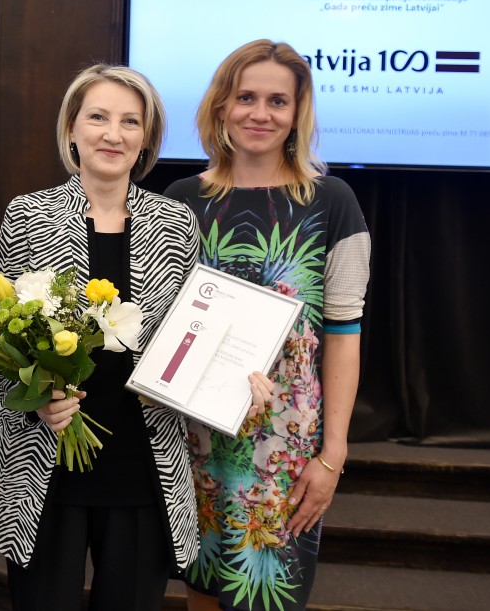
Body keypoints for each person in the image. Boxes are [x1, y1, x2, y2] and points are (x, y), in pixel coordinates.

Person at [164, 39, 370, 611]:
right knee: (202, 594)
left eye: (278, 101)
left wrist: (333, 455)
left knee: (269, 598)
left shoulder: (333, 201)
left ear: (297, 112)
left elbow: (344, 335)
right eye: (245, 97)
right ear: (221, 105)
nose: (260, 113)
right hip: (193, 436)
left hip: (286, 448)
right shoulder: (180, 201)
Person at [0, 64, 201, 610]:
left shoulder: (176, 224)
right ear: (72, 129)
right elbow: (1, 336)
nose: (114, 134)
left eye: (131, 122)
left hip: (143, 463)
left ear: (146, 138)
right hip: (43, 461)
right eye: (98, 117)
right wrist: (38, 397)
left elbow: (192, 336)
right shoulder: (28, 215)